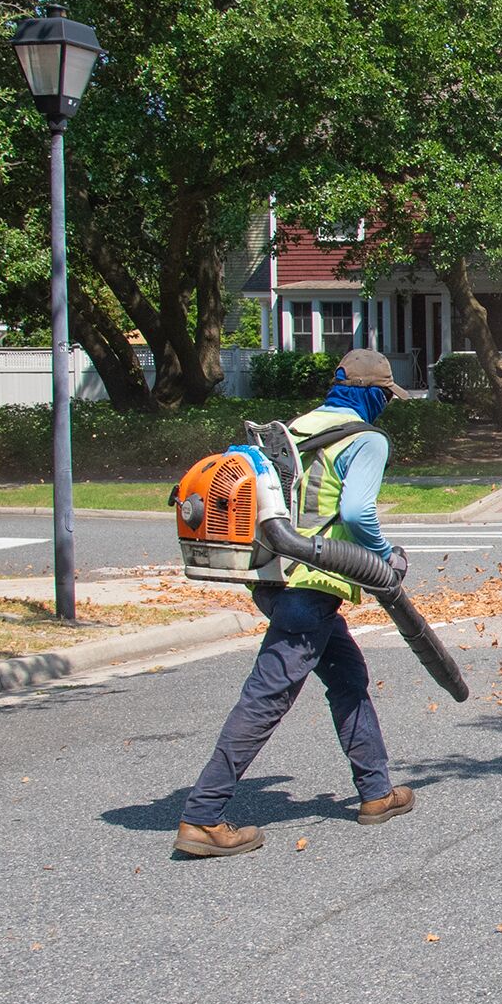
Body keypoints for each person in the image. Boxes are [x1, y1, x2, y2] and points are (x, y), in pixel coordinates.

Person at [174, 349, 418, 858]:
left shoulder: (292, 430)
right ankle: (203, 816)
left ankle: (376, 793)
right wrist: (384, 558)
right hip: (312, 583)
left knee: (348, 676)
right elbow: (355, 509)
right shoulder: (366, 439)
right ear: (375, 395)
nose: (386, 407)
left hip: (270, 578)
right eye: (386, 398)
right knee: (267, 695)